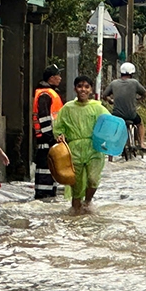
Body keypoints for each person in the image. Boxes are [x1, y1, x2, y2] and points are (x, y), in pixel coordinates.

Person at [53, 75, 110, 214]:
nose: (83, 90)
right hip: (74, 150)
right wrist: (60, 136)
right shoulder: (68, 108)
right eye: (80, 86)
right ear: (75, 89)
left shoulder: (98, 108)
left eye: (86, 87)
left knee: (93, 179)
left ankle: (88, 202)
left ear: (91, 89)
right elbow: (59, 127)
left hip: (94, 149)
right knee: (76, 185)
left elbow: (110, 124)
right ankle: (76, 214)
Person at [102, 62, 146, 153]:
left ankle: (111, 147)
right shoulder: (134, 82)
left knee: (113, 127)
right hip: (131, 114)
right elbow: (145, 94)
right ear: (131, 73)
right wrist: (138, 99)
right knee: (140, 124)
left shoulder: (114, 83)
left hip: (117, 115)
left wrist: (110, 100)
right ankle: (142, 143)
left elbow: (104, 95)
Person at [32, 65, 64, 200]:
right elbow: (44, 119)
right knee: (45, 181)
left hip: (50, 143)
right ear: (52, 78)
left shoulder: (49, 93)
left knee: (51, 178)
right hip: (47, 143)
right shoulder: (45, 95)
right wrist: (51, 139)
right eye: (58, 76)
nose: (60, 78)